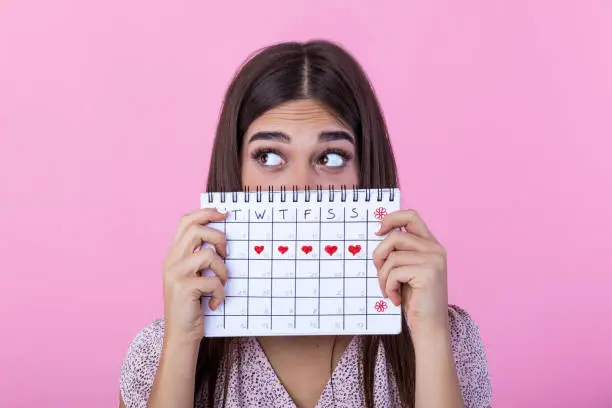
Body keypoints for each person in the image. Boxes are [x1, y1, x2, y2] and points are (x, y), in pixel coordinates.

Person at [119, 40, 492, 408]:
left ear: (365, 174)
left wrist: (430, 337)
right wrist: (182, 343)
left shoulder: (447, 341)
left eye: (330, 157)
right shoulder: (158, 354)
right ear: (235, 173)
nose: (300, 185)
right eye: (268, 156)